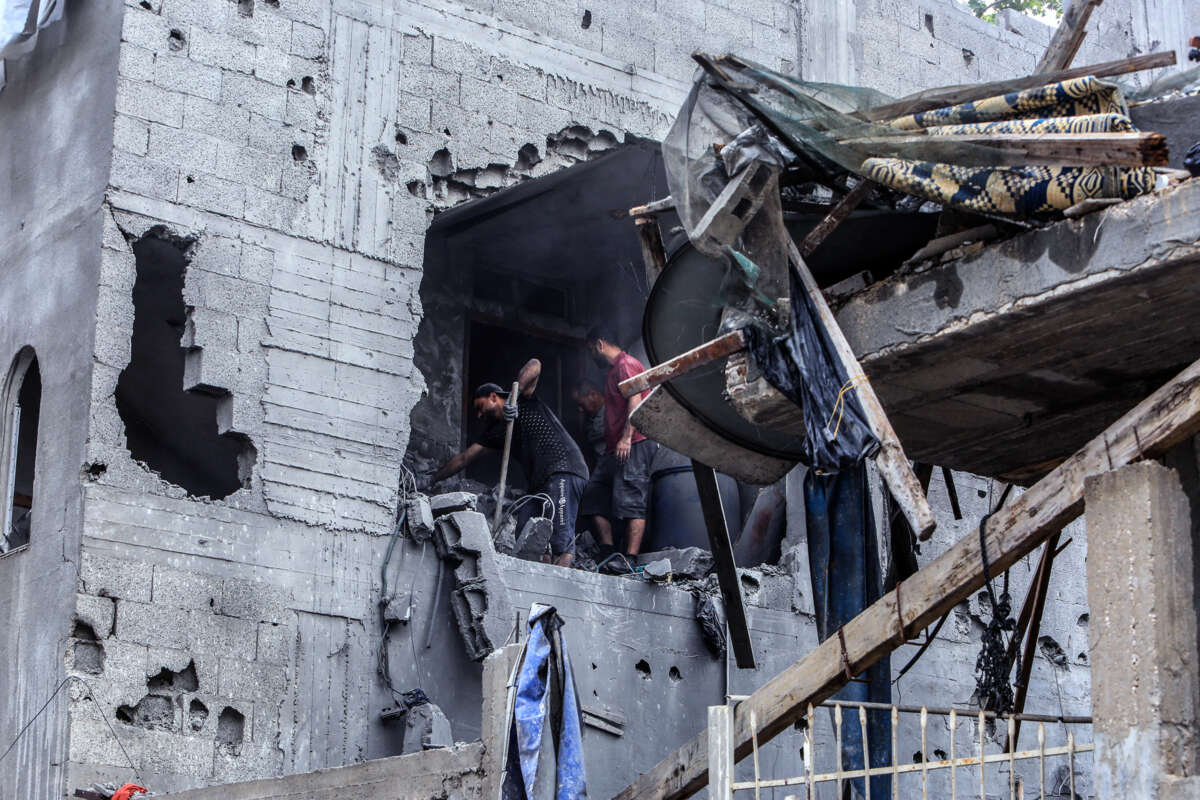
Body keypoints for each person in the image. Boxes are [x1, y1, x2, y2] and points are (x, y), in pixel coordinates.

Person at [432, 359, 588, 567]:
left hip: (563, 469)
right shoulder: (495, 432)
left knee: (560, 538)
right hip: (539, 483)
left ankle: (558, 579)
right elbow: (463, 459)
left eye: (480, 407)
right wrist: (433, 478)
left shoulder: (524, 399)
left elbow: (536, 364)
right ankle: (540, 574)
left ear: (494, 397)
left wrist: (515, 397)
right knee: (526, 529)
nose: (478, 415)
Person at [581, 326, 657, 563]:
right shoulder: (614, 370)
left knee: (633, 499)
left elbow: (635, 400)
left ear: (600, 344)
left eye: (591, 350)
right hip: (613, 449)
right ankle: (608, 551)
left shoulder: (626, 364)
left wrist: (625, 438)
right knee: (594, 495)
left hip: (634, 443)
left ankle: (631, 558)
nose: (592, 355)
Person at [570, 380, 606, 465]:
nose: (580, 409)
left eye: (581, 404)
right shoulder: (588, 418)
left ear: (593, 395)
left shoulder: (612, 414)